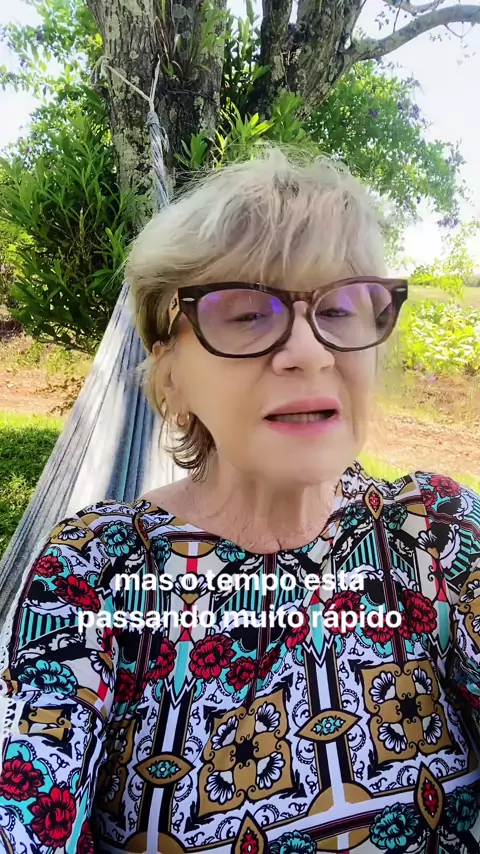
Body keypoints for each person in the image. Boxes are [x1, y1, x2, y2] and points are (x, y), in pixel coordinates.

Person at [0, 145, 479, 854]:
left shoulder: (436, 533)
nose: (310, 352)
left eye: (340, 308)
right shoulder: (92, 570)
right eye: (249, 313)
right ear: (170, 377)